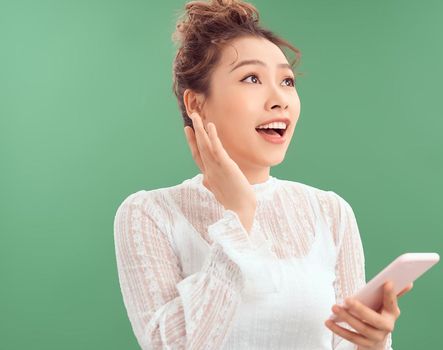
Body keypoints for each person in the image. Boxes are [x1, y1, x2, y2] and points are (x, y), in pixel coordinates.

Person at [113, 0, 412, 349]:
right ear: (196, 104)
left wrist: (372, 344)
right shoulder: (149, 214)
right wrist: (238, 216)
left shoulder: (330, 213)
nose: (279, 100)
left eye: (287, 81)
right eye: (252, 78)